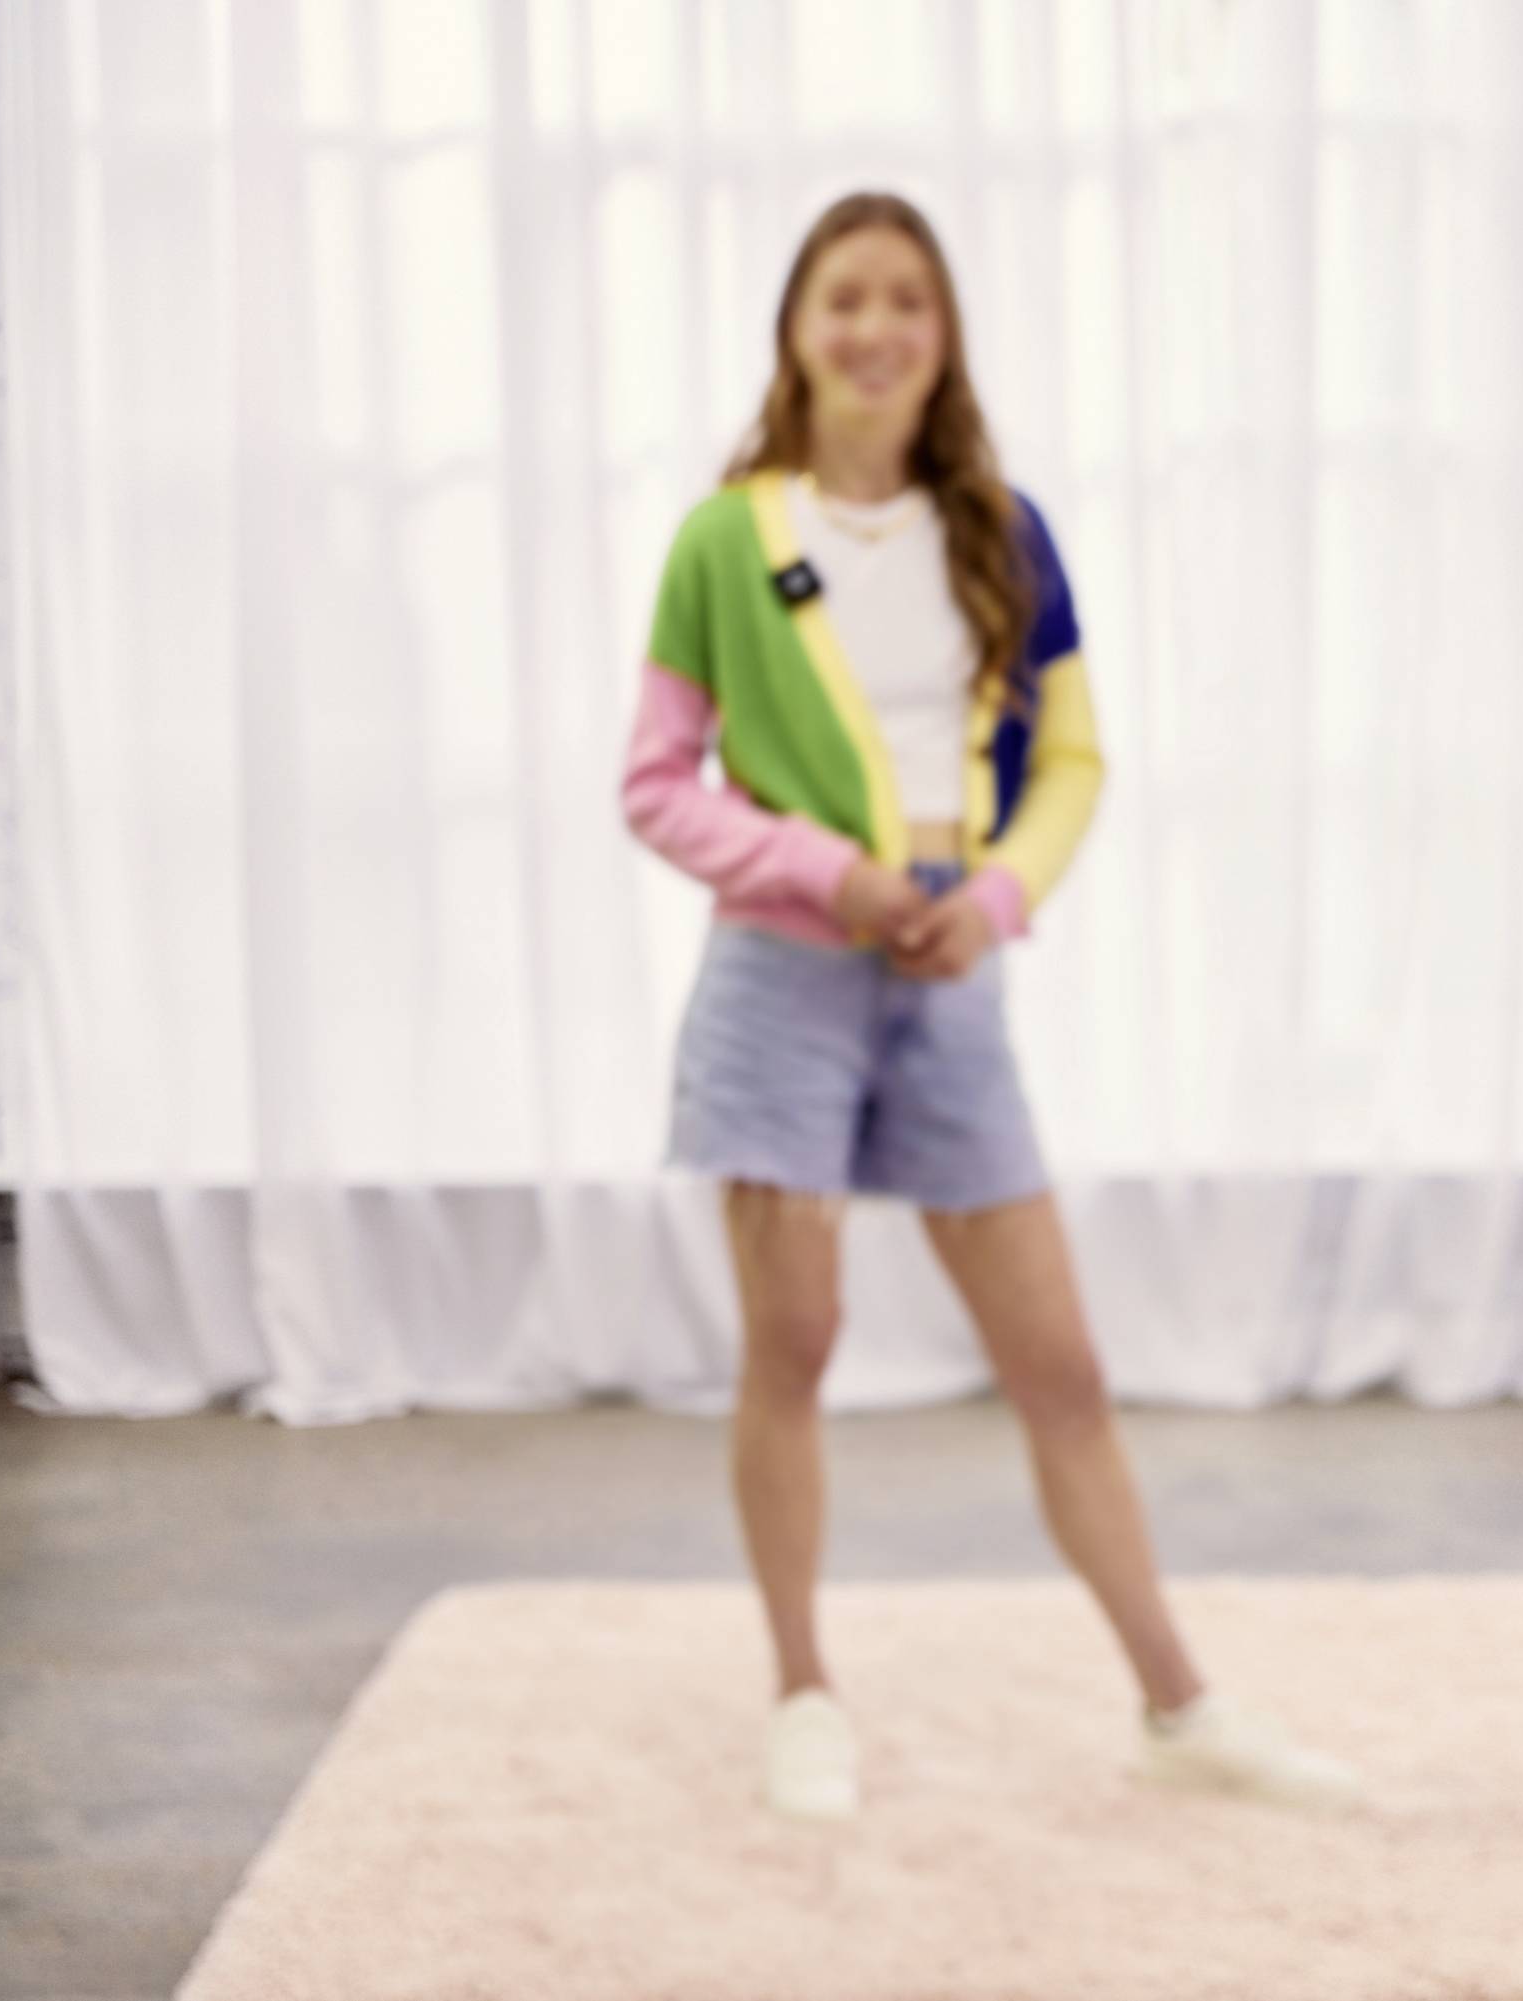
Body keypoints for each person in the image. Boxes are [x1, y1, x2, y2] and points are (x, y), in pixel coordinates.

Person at [621, 191, 1354, 1821]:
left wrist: (997, 898)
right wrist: (826, 871)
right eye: (844, 299)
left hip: (952, 985)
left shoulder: (1002, 534)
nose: (874, 328)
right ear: (796, 330)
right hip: (778, 983)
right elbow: (656, 783)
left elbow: (1076, 758)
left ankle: (1179, 1702)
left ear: (939, 335)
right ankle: (802, 1691)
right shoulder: (723, 542)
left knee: (1062, 1367)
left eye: (906, 301)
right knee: (793, 1346)